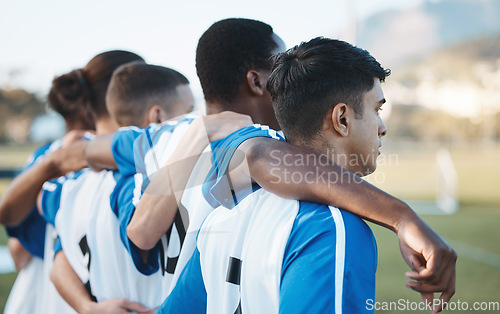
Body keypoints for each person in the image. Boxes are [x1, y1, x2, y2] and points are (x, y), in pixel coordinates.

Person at [121, 18, 455, 312]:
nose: (382, 127)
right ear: (341, 118)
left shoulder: (226, 211)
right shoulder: (333, 226)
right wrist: (400, 216)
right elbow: (258, 154)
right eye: (376, 110)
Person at [1, 56, 96, 314]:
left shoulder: (43, 153)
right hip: (70, 277)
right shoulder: (97, 155)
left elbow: (17, 247)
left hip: (39, 277)